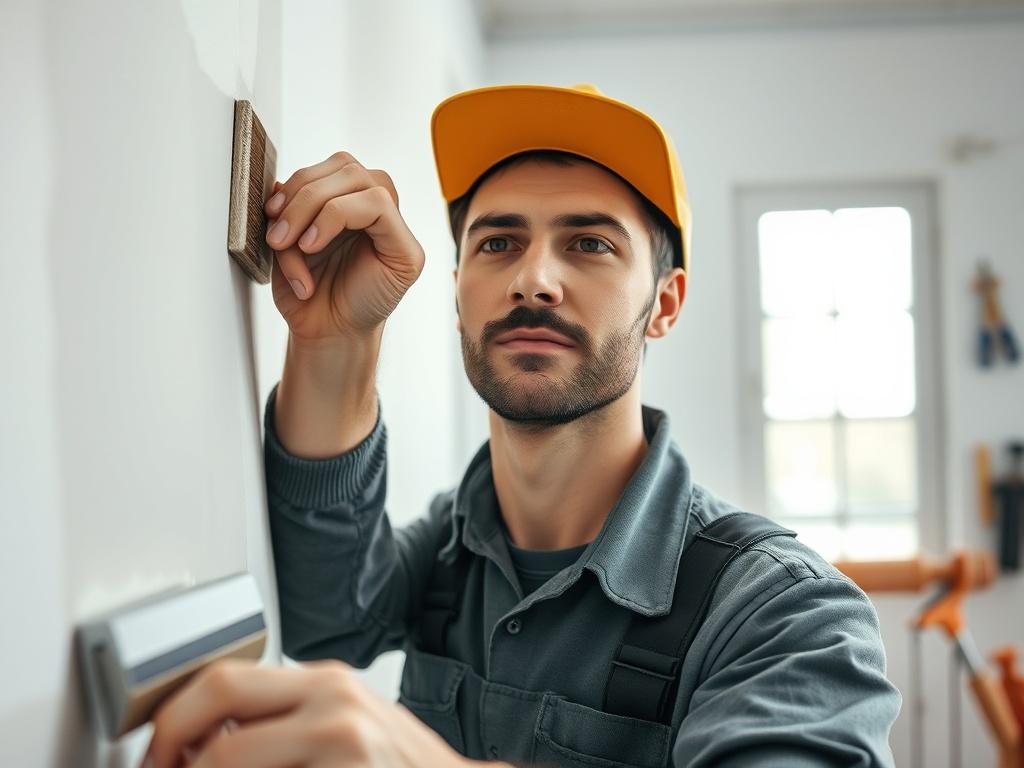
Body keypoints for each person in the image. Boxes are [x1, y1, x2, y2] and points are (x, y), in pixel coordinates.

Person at [144, 84, 901, 768]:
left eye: (590, 244)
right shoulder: (451, 551)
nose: (533, 278)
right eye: (498, 242)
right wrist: (334, 339)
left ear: (664, 304)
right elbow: (326, 622)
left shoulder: (786, 615)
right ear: (458, 292)